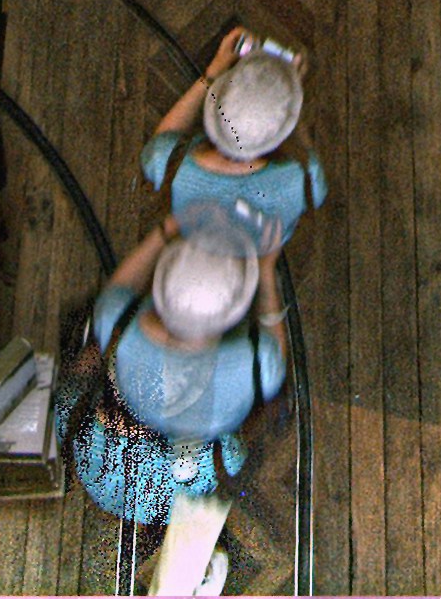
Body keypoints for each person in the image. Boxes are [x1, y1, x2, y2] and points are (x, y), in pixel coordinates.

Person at [65, 220, 288, 528]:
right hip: (181, 495)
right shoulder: (252, 367)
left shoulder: (113, 321)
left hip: (103, 481)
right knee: (231, 461)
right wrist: (265, 270)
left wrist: (165, 229)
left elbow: (118, 291)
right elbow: (273, 350)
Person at [141, 28, 328, 257]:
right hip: (259, 248)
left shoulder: (164, 161)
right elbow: (306, 156)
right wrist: (290, 92)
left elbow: (161, 141)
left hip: (194, 239)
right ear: (282, 133)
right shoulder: (307, 179)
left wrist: (213, 72)